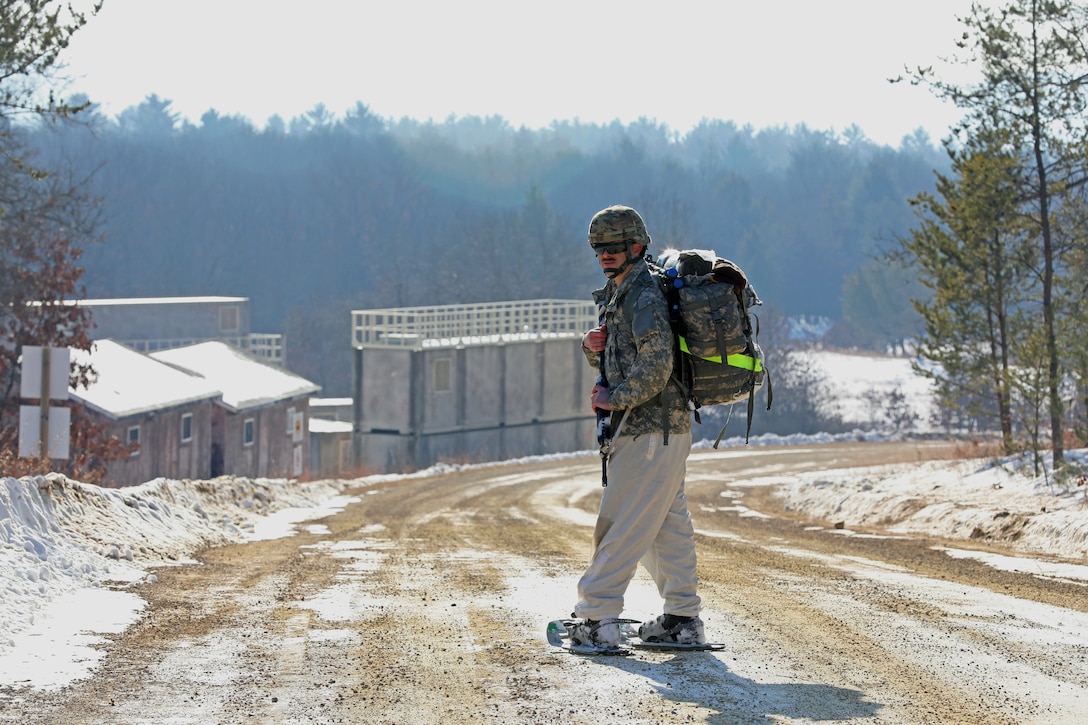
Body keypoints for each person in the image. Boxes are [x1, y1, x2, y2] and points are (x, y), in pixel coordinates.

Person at [567, 204, 705, 650]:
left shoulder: (643, 294)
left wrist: (615, 398)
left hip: (649, 428)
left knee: (622, 522)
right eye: (599, 248)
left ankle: (597, 616)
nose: (605, 255)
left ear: (637, 246)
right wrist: (593, 347)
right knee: (666, 523)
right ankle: (682, 619)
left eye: (614, 246)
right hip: (663, 428)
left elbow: (658, 362)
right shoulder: (622, 291)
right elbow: (625, 355)